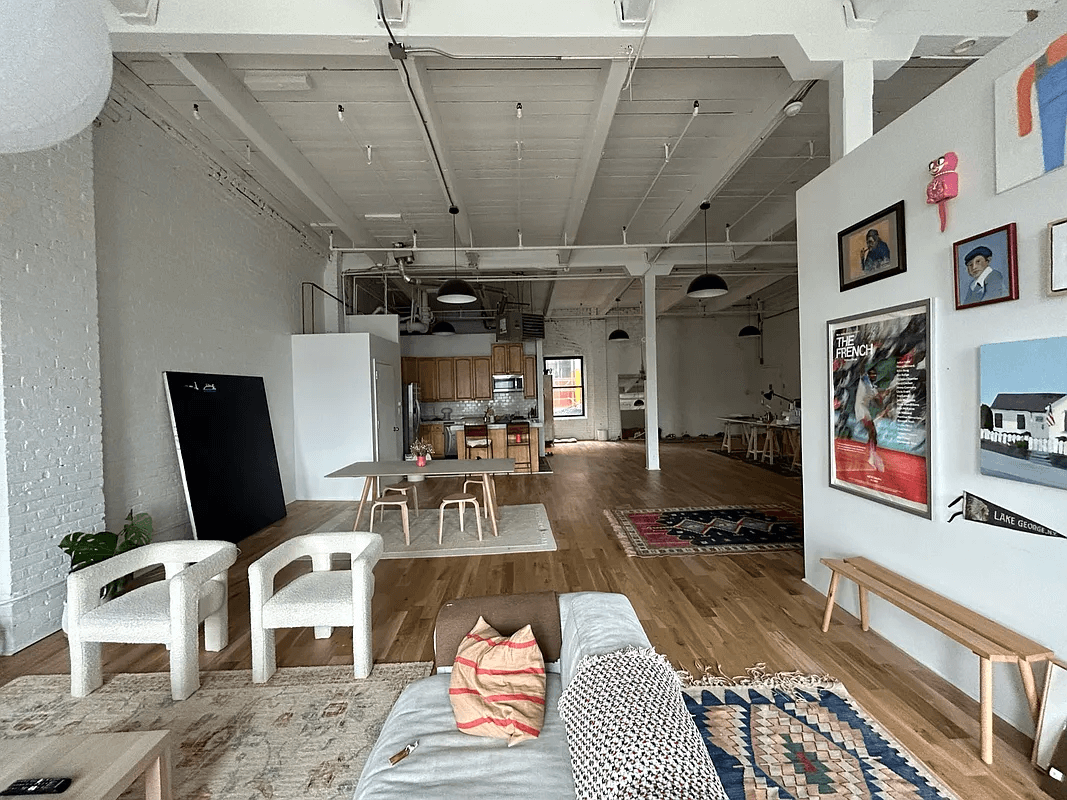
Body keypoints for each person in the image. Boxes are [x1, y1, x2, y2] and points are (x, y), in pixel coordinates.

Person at [854, 367, 885, 471]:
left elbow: (878, 404)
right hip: (860, 409)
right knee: (872, 432)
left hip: (865, 409)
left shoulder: (873, 387)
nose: (873, 376)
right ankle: (871, 457)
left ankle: (870, 455)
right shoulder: (864, 380)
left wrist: (882, 396)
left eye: (874, 374)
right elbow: (862, 373)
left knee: (873, 434)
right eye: (871, 374)